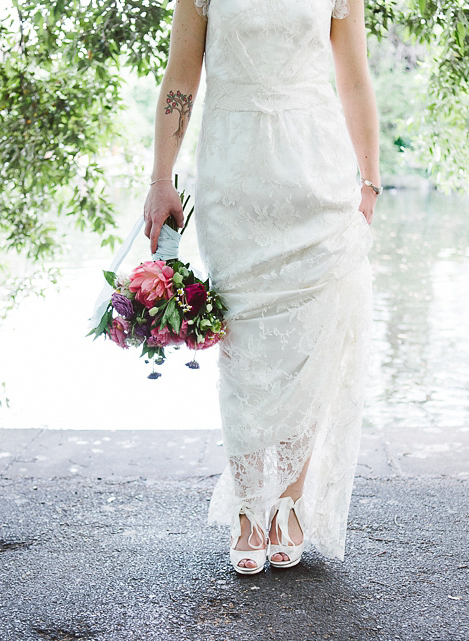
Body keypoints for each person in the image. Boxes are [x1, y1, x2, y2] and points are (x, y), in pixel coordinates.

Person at [143, 0, 380, 574]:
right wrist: (160, 178)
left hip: (317, 174)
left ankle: (290, 503)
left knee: (310, 342)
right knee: (243, 349)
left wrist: (369, 178)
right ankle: (249, 506)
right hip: (236, 177)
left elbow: (353, 77)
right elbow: (181, 75)